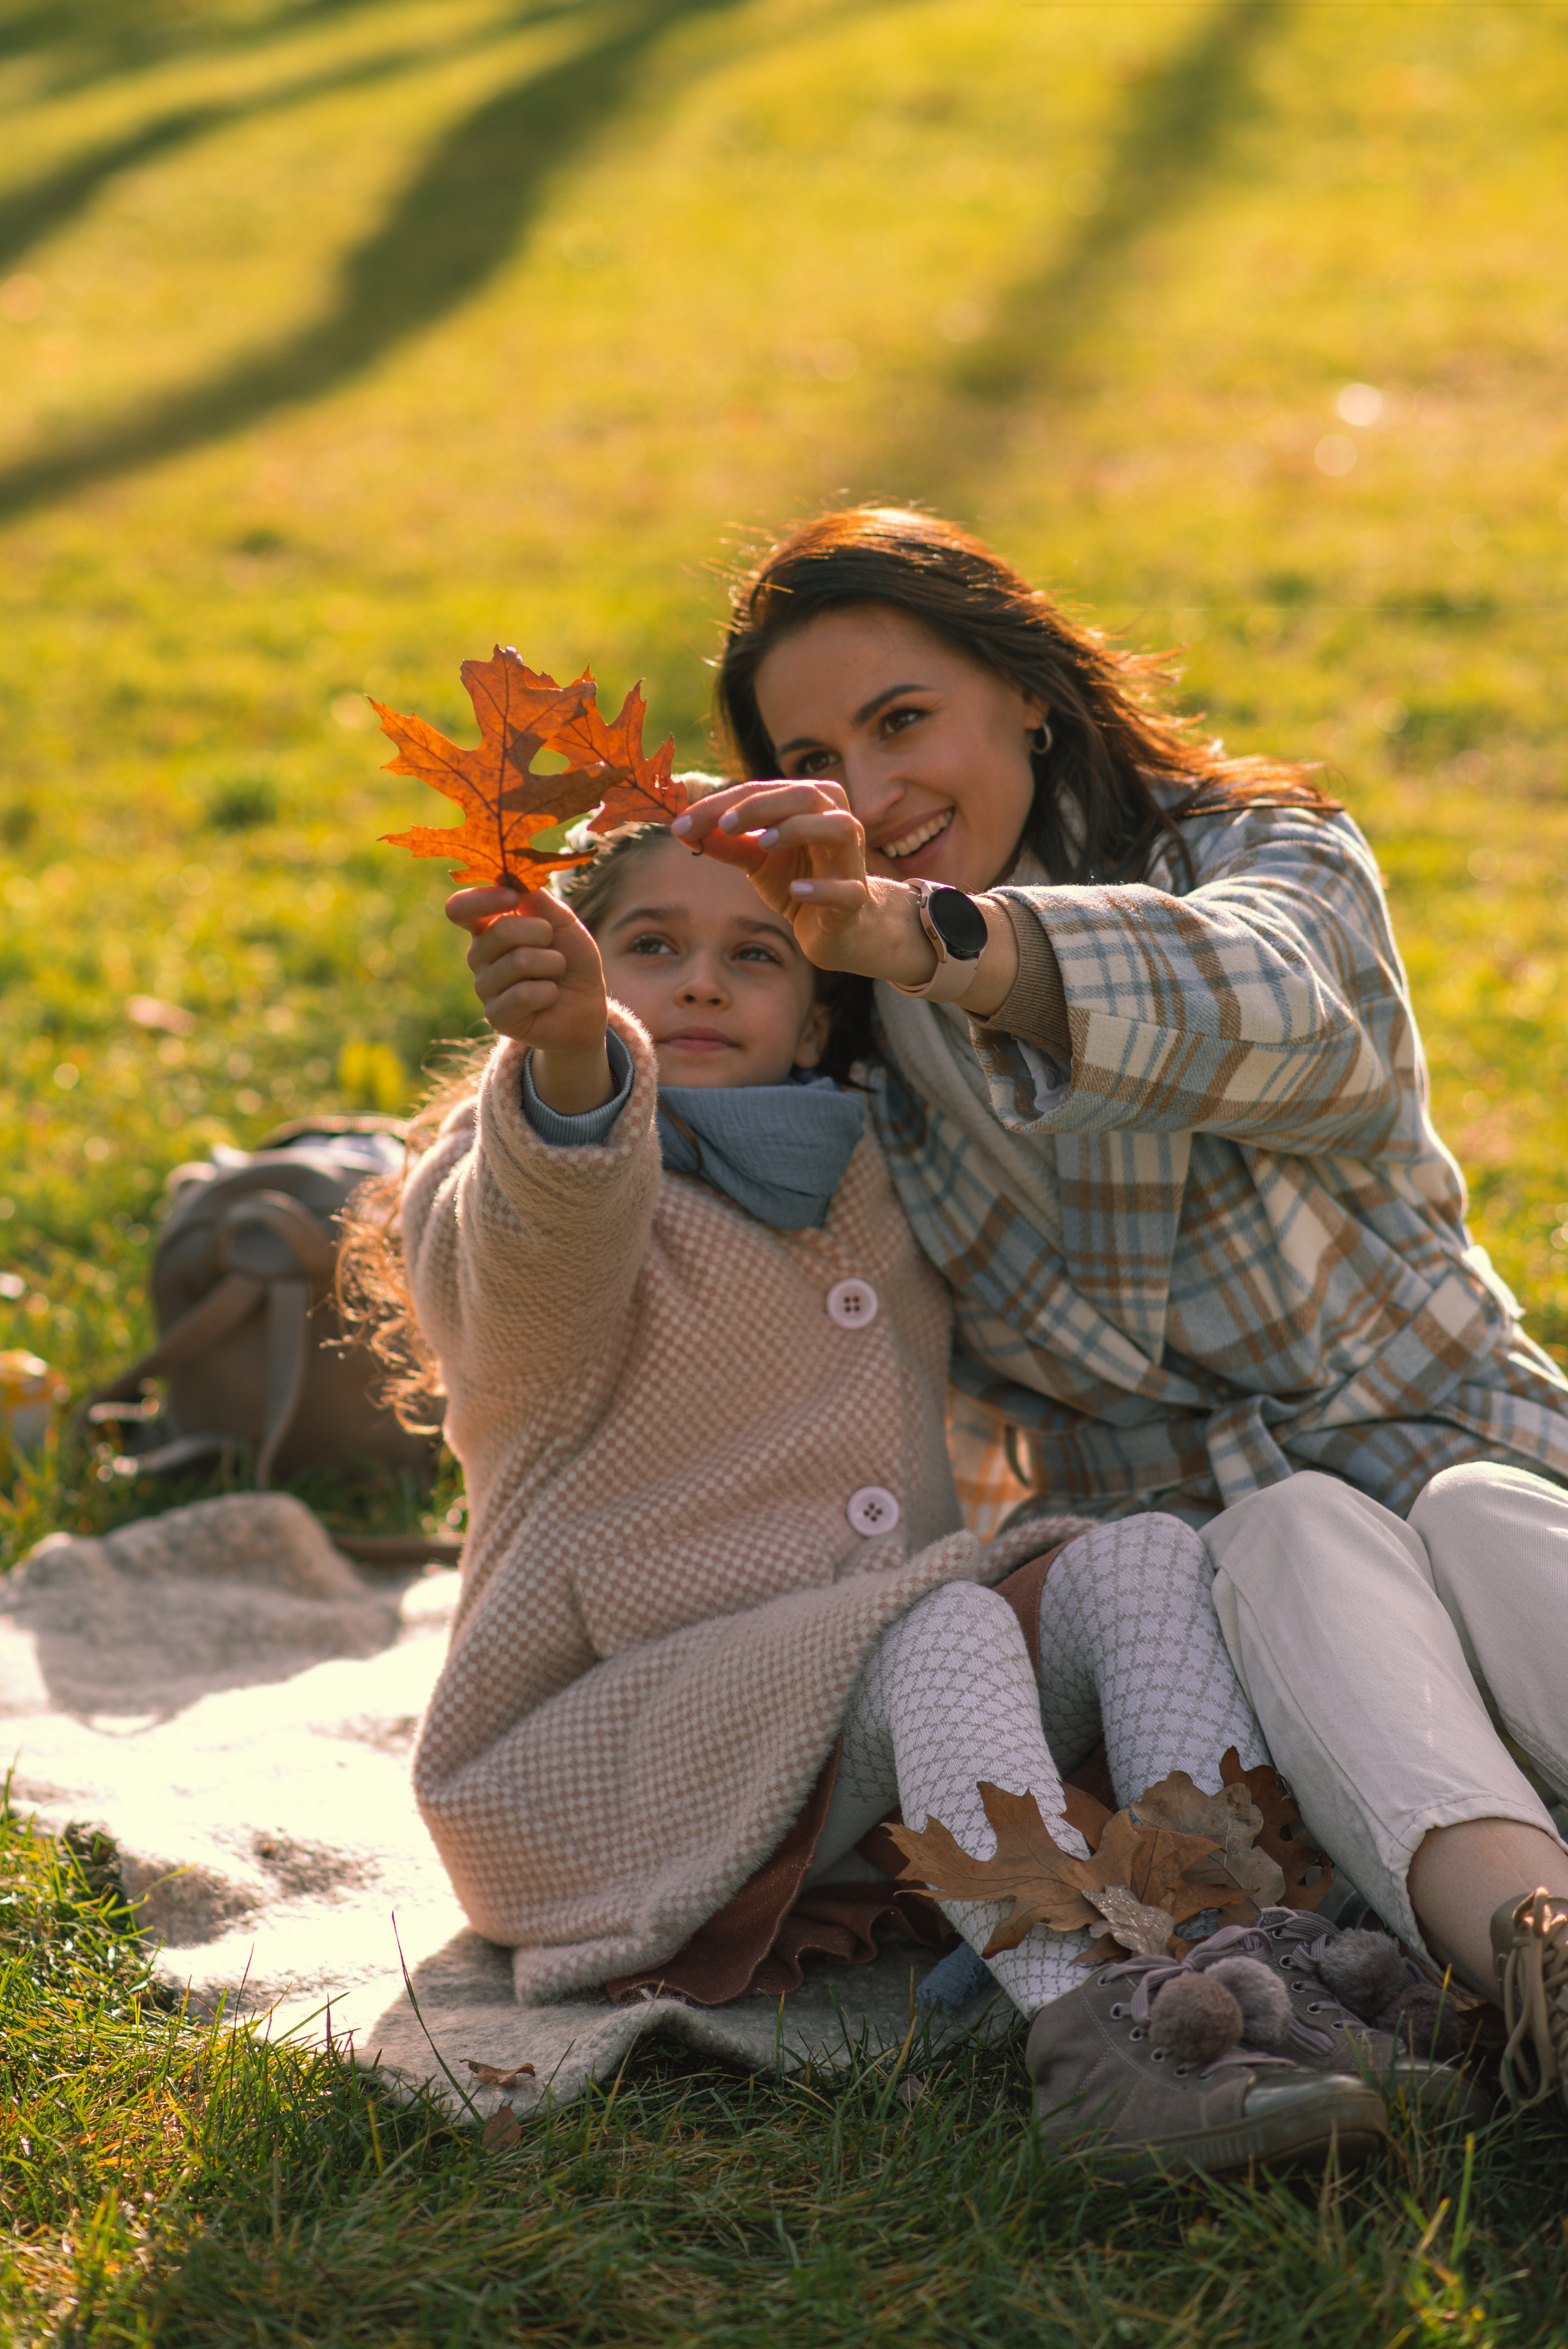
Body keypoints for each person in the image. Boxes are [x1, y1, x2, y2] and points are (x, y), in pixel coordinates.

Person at [341, 821, 1417, 2176]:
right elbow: (530, 1259)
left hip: (850, 1743)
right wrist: (569, 1057)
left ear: (814, 1020)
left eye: (755, 954)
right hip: (601, 1767)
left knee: (1141, 1556)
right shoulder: (520, 1175)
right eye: (650, 946)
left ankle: (1244, 1964)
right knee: (944, 1624)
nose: (701, 979)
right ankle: (1102, 2030)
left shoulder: (860, 1166)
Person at [670, 502, 1568, 2111]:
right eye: (815, 759)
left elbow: (1287, 1013)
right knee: (1292, 1535)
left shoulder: (1259, 856)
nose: (871, 792)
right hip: (1226, 1639)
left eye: (901, 720)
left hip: (1453, 1462)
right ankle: (1538, 1961)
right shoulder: (844, 1031)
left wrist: (939, 942)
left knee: (1480, 1516)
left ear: (1026, 688)